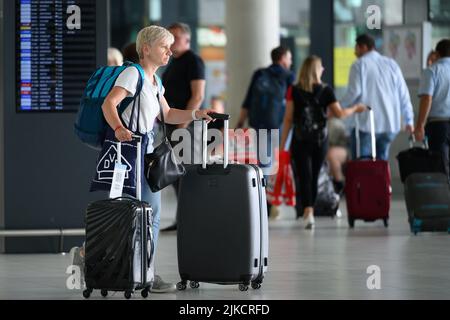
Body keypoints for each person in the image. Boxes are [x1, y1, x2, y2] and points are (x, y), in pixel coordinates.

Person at [72, 25, 214, 293]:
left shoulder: (155, 81)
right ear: (146, 49)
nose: (169, 52)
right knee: (123, 212)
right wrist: (118, 128)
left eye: (171, 47)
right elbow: (109, 104)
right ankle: (87, 254)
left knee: (154, 214)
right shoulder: (132, 73)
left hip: (147, 153)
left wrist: (197, 114)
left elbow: (168, 114)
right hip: (126, 152)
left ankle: (147, 271)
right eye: (164, 47)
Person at [280, 55, 366, 229]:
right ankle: (309, 210)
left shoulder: (294, 90)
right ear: (316, 70)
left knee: (304, 175)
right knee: (315, 175)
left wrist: (283, 144)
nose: (323, 70)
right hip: (320, 140)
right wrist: (356, 108)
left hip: (300, 139)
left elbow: (288, 119)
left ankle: (308, 212)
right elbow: (340, 114)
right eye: (321, 67)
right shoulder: (326, 90)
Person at [160, 22, 206, 232]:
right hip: (173, 124)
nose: (172, 40)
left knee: (189, 173)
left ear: (187, 39)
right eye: (170, 36)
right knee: (176, 174)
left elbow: (198, 96)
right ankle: (183, 219)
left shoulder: (193, 61)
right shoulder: (173, 62)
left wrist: (181, 125)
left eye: (176, 37)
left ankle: (193, 219)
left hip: (186, 126)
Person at [340, 34, 414, 161]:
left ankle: (364, 182)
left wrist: (338, 107)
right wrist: (409, 120)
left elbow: (354, 92)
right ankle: (382, 181)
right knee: (381, 166)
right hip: (390, 125)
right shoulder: (391, 64)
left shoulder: (359, 65)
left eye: (356, 48)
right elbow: (403, 94)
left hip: (367, 125)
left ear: (363, 47)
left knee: (362, 167)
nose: (354, 52)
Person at [415, 39, 450, 181]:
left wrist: (420, 125)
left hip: (438, 125)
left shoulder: (432, 71)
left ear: (436, 53)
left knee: (440, 166)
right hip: (440, 125)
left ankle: (444, 200)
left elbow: (426, 99)